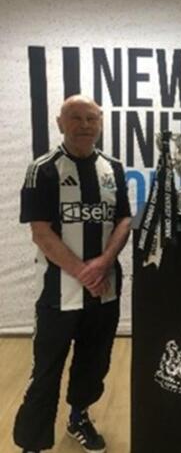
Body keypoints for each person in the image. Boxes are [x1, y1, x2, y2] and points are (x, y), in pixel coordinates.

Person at [14, 95, 132, 453]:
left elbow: (123, 219)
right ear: (59, 123)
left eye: (91, 119)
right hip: (57, 293)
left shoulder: (113, 167)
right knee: (46, 369)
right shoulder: (43, 169)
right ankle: (32, 442)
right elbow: (41, 231)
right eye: (76, 118)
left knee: (94, 362)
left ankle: (79, 416)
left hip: (104, 290)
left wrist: (104, 262)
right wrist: (83, 271)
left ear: (100, 124)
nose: (84, 125)